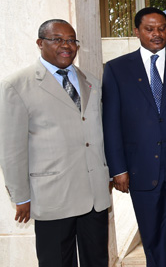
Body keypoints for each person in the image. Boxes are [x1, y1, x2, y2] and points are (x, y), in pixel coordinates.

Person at [0, 20, 110, 267]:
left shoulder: (91, 81)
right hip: (52, 196)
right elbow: (11, 149)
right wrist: (21, 197)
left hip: (94, 195)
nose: (66, 46)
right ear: (40, 43)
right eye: (57, 39)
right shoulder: (17, 85)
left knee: (98, 261)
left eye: (71, 40)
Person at [102, 7, 166, 267]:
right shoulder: (116, 69)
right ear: (136, 32)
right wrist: (118, 169)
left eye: (162, 29)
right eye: (150, 29)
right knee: (153, 236)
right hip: (141, 168)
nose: (157, 34)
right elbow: (111, 124)